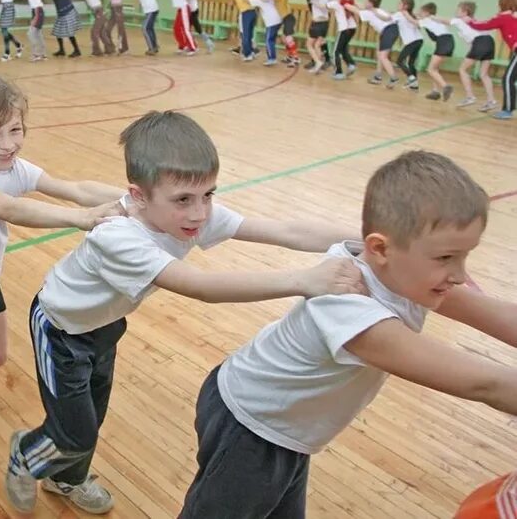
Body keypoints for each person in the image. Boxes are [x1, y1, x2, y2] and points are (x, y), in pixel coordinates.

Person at [5, 110, 365, 515]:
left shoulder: (190, 215)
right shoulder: (119, 235)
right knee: (74, 432)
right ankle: (26, 455)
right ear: (139, 196)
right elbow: (198, 286)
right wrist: (305, 280)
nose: (199, 212)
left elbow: (285, 230)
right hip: (60, 330)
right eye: (183, 200)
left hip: (105, 326)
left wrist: (368, 236)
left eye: (208, 194)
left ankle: (65, 478)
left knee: (92, 417)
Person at [179, 150, 517, 519]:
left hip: (289, 428)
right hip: (250, 425)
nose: (458, 274)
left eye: (465, 256)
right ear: (380, 248)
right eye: (446, 258)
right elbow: (486, 384)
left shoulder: (407, 274)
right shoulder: (347, 306)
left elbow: (497, 314)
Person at [0, 74, 123, 501]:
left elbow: (74, 188)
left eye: (15, 130)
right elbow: (8, 208)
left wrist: (132, 199)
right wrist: (79, 219)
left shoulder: (14, 167)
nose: (7, 144)